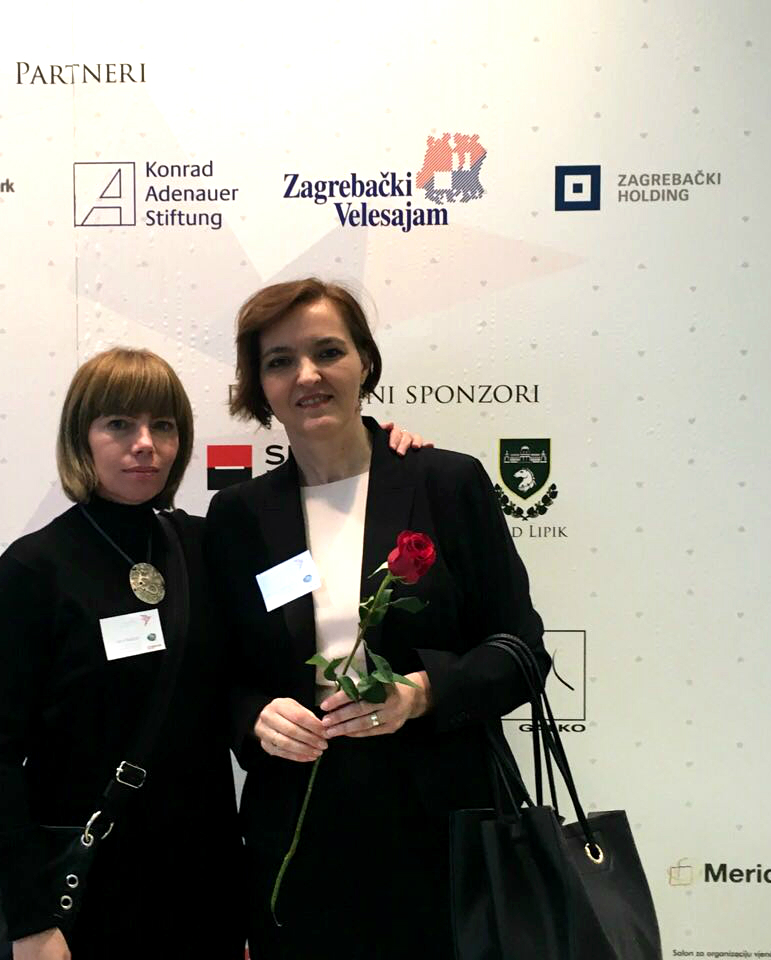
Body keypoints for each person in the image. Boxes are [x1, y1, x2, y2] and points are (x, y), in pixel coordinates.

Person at [0, 346, 427, 960]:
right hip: (84, 895)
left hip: (204, 890)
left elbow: (285, 621)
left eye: (163, 425)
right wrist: (30, 920)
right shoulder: (35, 569)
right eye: (119, 424)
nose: (145, 444)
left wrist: (376, 455)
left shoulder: (203, 546)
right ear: (81, 437)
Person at [203, 279, 549, 960]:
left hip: (442, 838)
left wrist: (423, 692)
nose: (306, 375)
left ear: (365, 361)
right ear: (260, 386)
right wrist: (255, 718)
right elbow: (220, 676)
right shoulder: (240, 515)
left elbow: (522, 651)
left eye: (328, 351)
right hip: (298, 840)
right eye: (279, 361)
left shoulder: (445, 483)